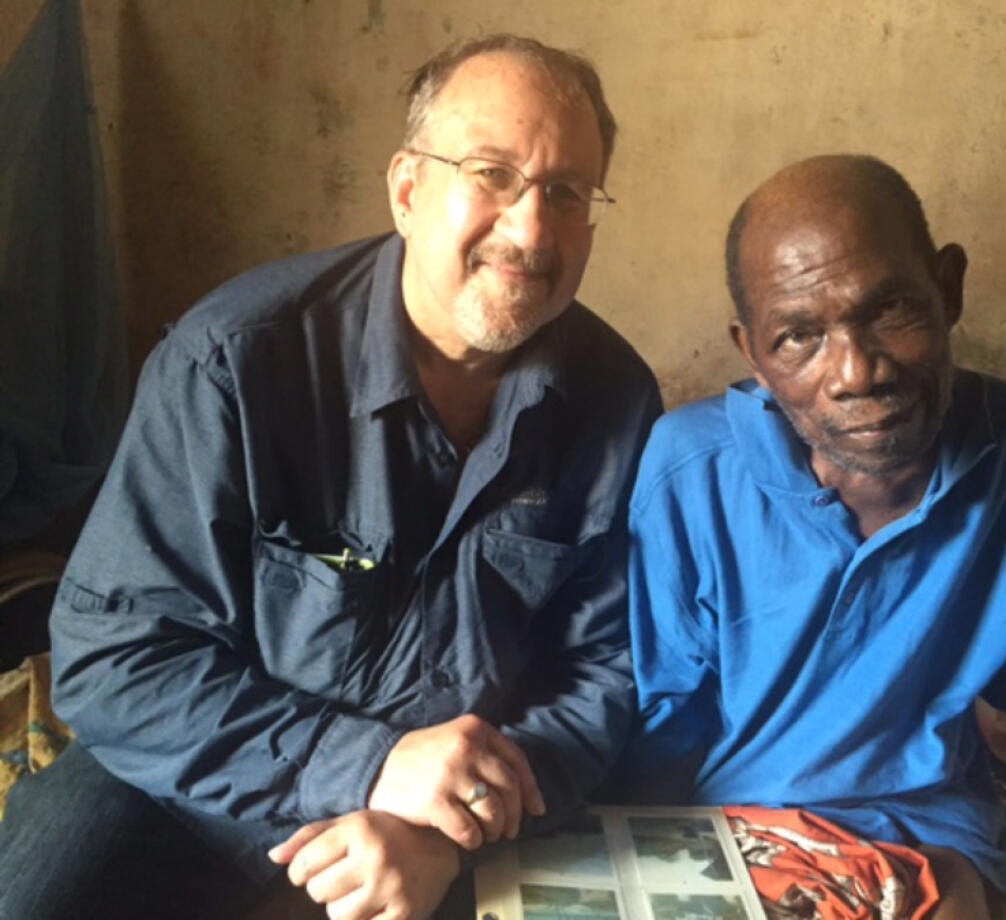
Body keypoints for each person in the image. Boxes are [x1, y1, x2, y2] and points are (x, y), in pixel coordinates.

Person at [0, 34, 660, 920]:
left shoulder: (615, 401)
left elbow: (603, 671)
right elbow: (114, 658)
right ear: (407, 190)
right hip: (192, 789)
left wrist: (439, 833)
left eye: (567, 192)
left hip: (453, 825)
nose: (532, 227)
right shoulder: (235, 360)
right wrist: (373, 768)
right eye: (492, 173)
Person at [619, 154, 1006, 917]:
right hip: (741, 824)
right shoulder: (691, 471)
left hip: (924, 824)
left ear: (949, 290)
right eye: (798, 338)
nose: (855, 372)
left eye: (888, 311)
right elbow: (667, 719)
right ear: (753, 355)